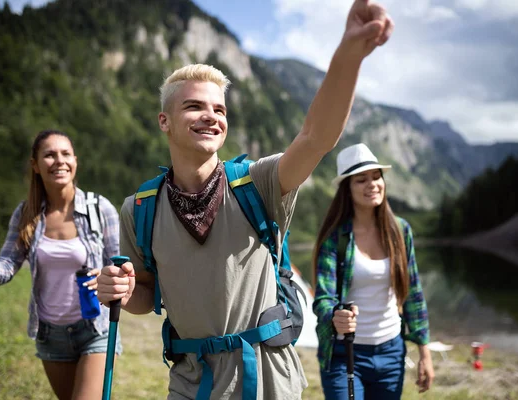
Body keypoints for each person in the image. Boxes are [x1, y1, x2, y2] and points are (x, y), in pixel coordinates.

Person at [96, 1, 394, 398]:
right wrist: (120, 290)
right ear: (164, 121)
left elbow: (316, 137)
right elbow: (144, 294)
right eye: (194, 106)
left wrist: (349, 55)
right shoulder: (140, 208)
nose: (210, 116)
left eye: (218, 108)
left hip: (268, 380)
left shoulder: (259, 183)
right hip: (190, 383)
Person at [0, 130, 122, 400]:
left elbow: (121, 264)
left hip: (95, 329)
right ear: (35, 165)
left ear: (75, 161)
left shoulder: (99, 208)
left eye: (65, 154)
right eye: (49, 155)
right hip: (50, 334)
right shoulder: (27, 214)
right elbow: (4, 270)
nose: (59, 161)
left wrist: (110, 274)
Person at [312, 143, 434, 399]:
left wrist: (425, 352)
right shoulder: (335, 238)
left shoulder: (400, 231)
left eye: (377, 176)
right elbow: (324, 298)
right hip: (344, 354)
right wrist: (335, 315)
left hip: (392, 352)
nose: (372, 184)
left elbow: (413, 293)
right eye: (361, 179)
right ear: (347, 188)